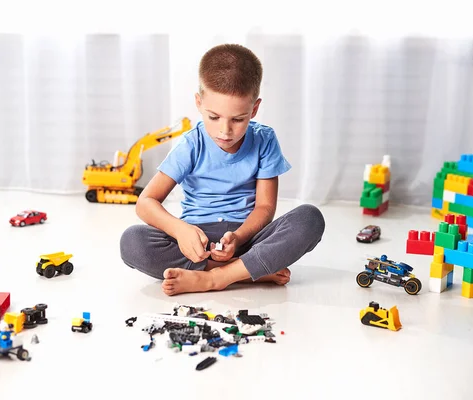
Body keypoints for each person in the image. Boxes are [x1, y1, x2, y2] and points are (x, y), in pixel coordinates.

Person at [119, 43, 325, 296]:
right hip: (197, 241)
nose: (224, 131)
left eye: (238, 119)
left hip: (246, 239)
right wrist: (180, 231)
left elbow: (265, 208)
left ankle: (216, 277)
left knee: (309, 218)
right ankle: (244, 272)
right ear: (198, 103)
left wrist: (237, 238)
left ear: (255, 109)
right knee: (132, 242)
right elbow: (146, 202)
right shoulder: (191, 144)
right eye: (214, 117)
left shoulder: (265, 140)